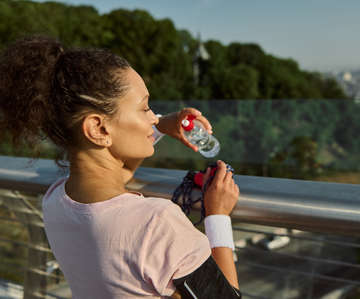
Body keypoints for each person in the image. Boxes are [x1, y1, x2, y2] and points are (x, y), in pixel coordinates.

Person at [0, 36, 240, 298]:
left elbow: (113, 183)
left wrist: (160, 126)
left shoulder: (55, 199)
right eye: (145, 108)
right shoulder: (157, 223)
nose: (152, 117)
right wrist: (217, 215)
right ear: (98, 128)